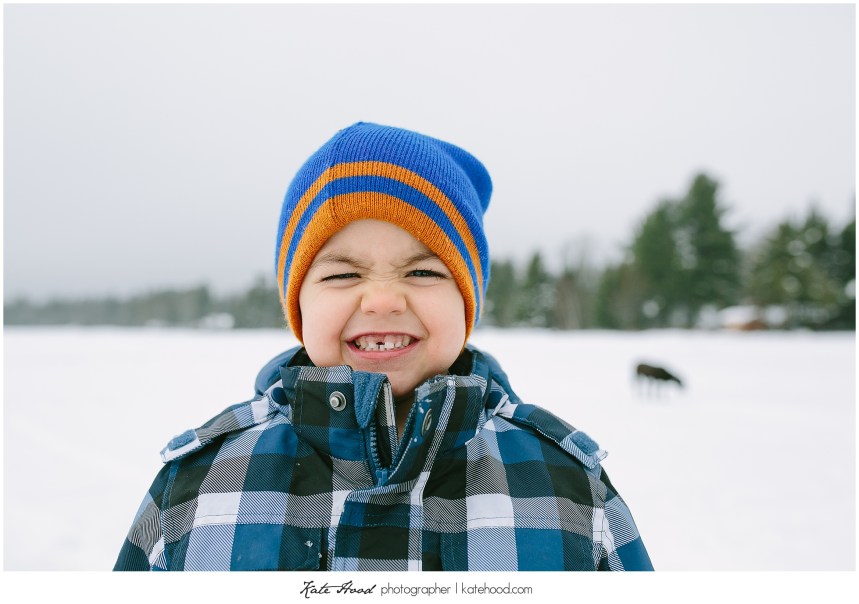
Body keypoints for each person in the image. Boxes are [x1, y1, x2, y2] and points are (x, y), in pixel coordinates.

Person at [114, 122, 653, 571]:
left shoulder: (566, 485)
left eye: (422, 270)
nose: (381, 300)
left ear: (467, 302)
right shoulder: (199, 484)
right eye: (343, 274)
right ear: (297, 305)